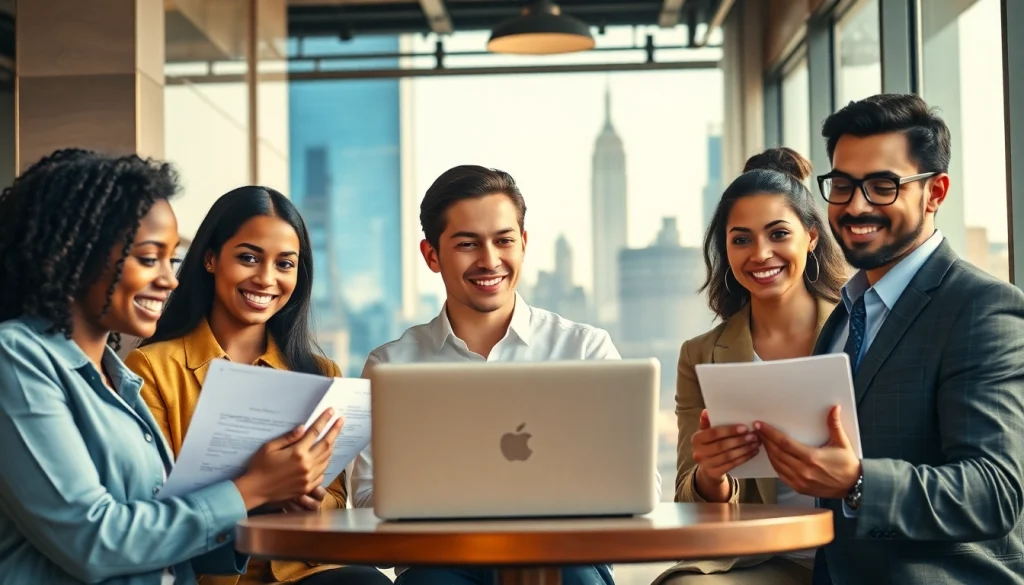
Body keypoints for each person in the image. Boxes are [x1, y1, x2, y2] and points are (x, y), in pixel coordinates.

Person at [0, 149, 342, 585]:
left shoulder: (116, 379)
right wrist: (253, 488)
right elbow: (95, 541)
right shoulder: (17, 357)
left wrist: (267, 498)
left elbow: (165, 536)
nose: (170, 280)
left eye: (171, 260)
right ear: (76, 256)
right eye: (148, 259)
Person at [752, 93, 1024, 584]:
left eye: (882, 187)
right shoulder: (846, 314)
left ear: (935, 193)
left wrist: (859, 481)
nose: (856, 206)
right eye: (842, 185)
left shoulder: (982, 308)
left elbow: (994, 492)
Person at [350, 165, 659, 585]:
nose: (489, 260)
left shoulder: (585, 349)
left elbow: (642, 489)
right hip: (438, 564)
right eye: (467, 244)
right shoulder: (390, 367)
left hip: (567, 560)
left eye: (504, 240)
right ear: (431, 255)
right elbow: (367, 504)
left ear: (524, 244)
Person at [125, 186, 391, 585]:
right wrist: (257, 488)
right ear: (211, 258)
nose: (266, 279)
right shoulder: (152, 367)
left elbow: (337, 501)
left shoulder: (321, 373)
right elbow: (153, 507)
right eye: (248, 258)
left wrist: (310, 502)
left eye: (285, 264)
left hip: (305, 571)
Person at [654, 148, 847, 585]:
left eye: (778, 234)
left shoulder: (862, 328)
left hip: (860, 555)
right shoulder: (701, 354)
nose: (760, 254)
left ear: (811, 237)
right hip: (769, 561)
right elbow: (689, 503)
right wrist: (712, 474)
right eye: (741, 239)